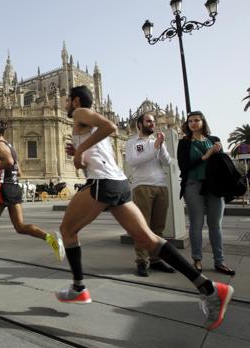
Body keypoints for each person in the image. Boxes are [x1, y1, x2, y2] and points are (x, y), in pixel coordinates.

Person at [58, 86, 233, 330]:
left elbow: (110, 126)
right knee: (148, 238)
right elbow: (99, 149)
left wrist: (80, 150)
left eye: (67, 100)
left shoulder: (80, 113)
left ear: (75, 101)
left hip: (103, 183)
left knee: (67, 230)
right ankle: (210, 288)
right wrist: (80, 150)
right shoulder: (86, 122)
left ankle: (78, 287)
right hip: (119, 183)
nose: (65, 104)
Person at [0, 117, 64, 268]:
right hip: (14, 186)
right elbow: (18, 171)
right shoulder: (10, 146)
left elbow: (8, 162)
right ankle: (50, 239)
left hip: (2, 187)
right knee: (20, 226)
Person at [177, 111, 235, 276]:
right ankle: (197, 259)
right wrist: (206, 156)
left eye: (196, 120)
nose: (193, 123)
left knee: (215, 224)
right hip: (193, 184)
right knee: (196, 223)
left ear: (203, 122)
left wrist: (219, 153)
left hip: (214, 186)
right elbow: (184, 166)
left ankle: (220, 261)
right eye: (190, 121)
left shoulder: (214, 140)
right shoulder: (185, 143)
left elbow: (222, 165)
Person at [124, 112, 175, 277]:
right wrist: (154, 149)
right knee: (142, 227)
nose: (152, 124)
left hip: (161, 185)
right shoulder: (132, 142)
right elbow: (133, 162)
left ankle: (156, 260)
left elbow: (167, 162)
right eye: (148, 121)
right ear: (140, 124)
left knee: (158, 228)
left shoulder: (156, 141)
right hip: (142, 187)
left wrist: (160, 147)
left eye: (153, 121)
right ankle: (142, 262)